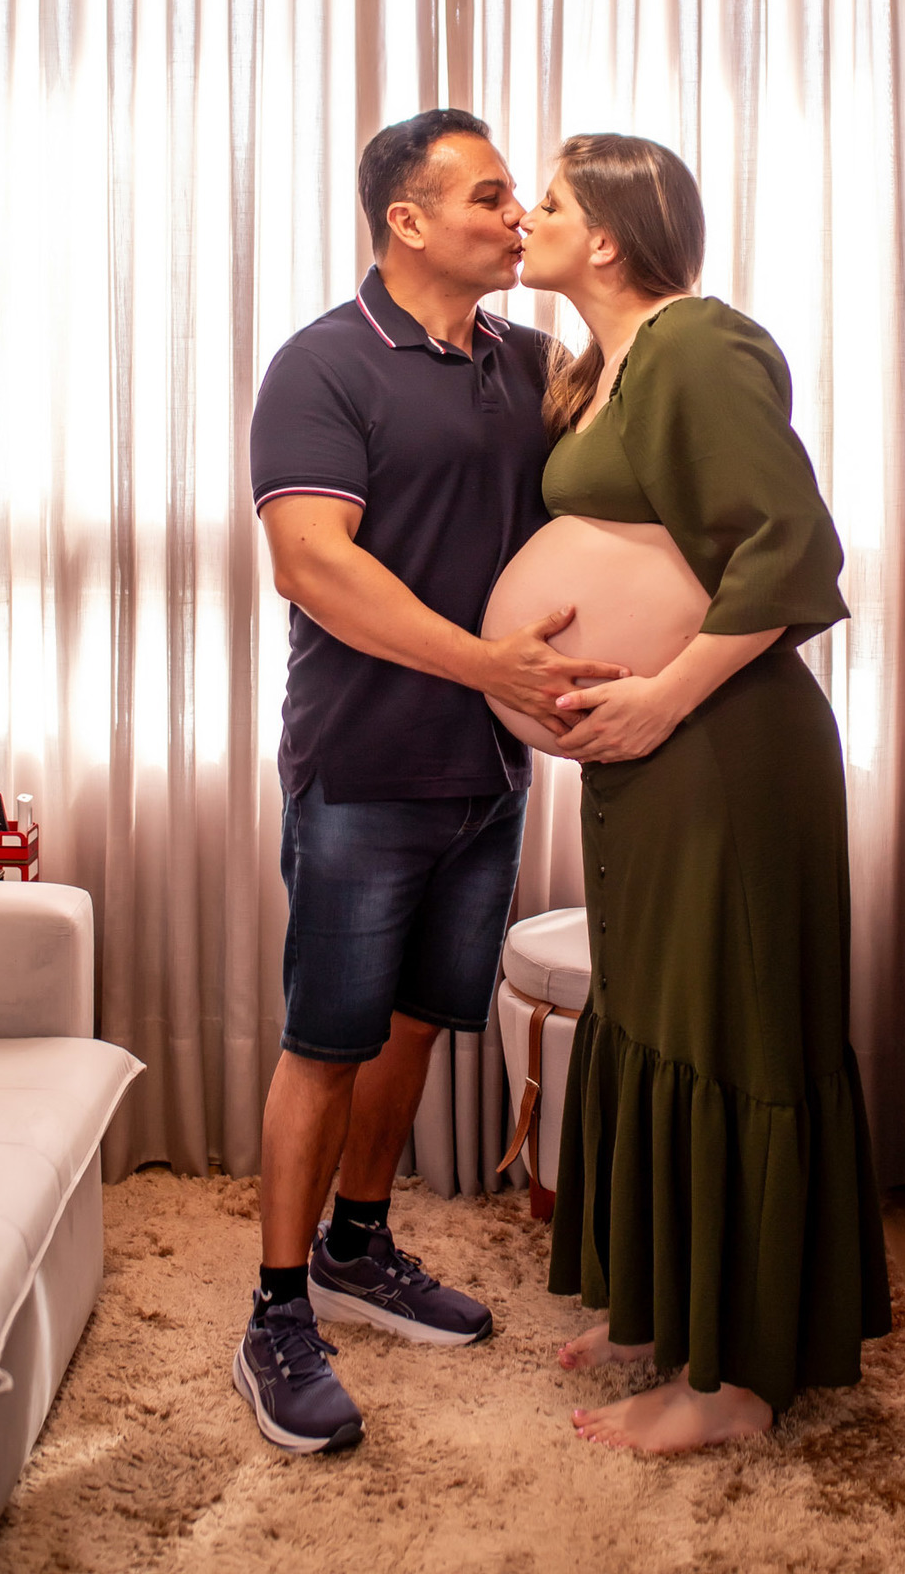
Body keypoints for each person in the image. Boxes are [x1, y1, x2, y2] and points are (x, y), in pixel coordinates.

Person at [238, 109, 626, 1455]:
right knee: (327, 1041)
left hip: (488, 766)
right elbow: (313, 565)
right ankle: (275, 1311)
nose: (518, 218)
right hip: (361, 764)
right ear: (406, 221)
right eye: (490, 196)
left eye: (522, 199)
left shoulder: (527, 363)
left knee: (412, 1025)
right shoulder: (322, 364)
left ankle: (357, 1244)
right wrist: (487, 666)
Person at [517, 134, 892, 1455]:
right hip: (655, 750)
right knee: (658, 1016)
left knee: (726, 1028)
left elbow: (790, 549)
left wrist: (665, 696)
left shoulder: (693, 345)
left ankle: (735, 1380)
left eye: (550, 202)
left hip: (724, 748)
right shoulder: (605, 366)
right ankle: (663, 1310)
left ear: (607, 236)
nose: (527, 218)